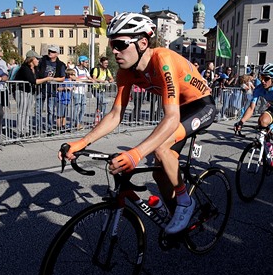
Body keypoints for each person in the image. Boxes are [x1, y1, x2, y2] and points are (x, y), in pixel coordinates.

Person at [59, 12, 215, 234]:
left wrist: (135, 153)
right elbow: (115, 114)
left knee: (160, 149)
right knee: (158, 172)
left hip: (200, 105)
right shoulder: (126, 72)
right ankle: (176, 218)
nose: (114, 51)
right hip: (177, 109)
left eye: (120, 44)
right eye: (112, 44)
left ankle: (185, 201)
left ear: (143, 43)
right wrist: (82, 142)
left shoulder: (162, 59)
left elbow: (171, 118)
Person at [234, 63, 273, 185]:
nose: (262, 81)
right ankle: (267, 146)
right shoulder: (259, 88)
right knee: (262, 121)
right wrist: (241, 121)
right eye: (261, 77)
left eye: (266, 79)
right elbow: (251, 108)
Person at [14, 50, 48, 137]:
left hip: (30, 92)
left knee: (28, 111)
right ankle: (20, 131)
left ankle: (26, 129)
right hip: (22, 91)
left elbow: (39, 77)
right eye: (37, 59)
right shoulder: (24, 68)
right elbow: (33, 81)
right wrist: (47, 78)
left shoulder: (35, 69)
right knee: (22, 111)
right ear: (32, 59)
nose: (38, 60)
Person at [35, 45, 65, 134]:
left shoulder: (60, 64)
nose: (50, 53)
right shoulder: (42, 61)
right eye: (49, 51)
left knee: (51, 110)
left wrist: (52, 79)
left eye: (52, 51)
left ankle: (49, 127)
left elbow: (62, 78)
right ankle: (38, 128)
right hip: (40, 89)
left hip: (52, 90)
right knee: (38, 110)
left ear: (57, 54)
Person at [72, 55, 95, 130]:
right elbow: (76, 79)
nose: (87, 63)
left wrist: (92, 80)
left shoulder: (85, 70)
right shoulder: (75, 69)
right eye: (86, 62)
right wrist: (87, 80)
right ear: (81, 62)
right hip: (76, 91)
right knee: (77, 108)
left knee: (83, 108)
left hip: (83, 92)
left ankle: (79, 122)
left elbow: (89, 77)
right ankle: (76, 123)